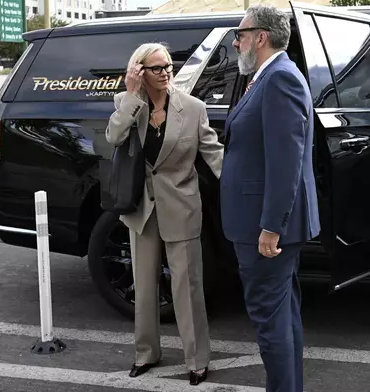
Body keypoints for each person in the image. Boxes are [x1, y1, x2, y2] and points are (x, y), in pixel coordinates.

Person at [105, 42, 223, 386]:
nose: (165, 72)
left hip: (182, 208)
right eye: (156, 68)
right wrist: (130, 95)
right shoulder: (128, 104)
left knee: (187, 288)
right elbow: (113, 137)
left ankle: (198, 359)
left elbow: (214, 154)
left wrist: (244, 188)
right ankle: (146, 353)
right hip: (141, 208)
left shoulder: (193, 107)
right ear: (139, 71)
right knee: (143, 287)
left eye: (168, 65)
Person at [219, 5, 320, 392]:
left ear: (261, 37)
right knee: (282, 315)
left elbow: (286, 161)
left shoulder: (279, 78)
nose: (236, 41)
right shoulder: (269, 76)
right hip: (263, 222)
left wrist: (270, 227)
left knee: (269, 319)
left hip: (264, 227)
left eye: (240, 35)